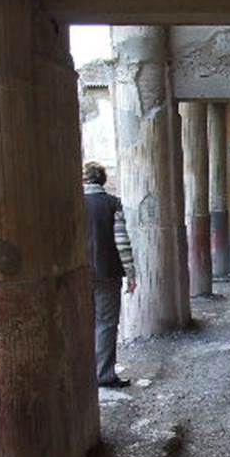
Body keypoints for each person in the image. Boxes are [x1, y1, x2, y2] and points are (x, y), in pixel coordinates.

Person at [83, 162, 137, 388]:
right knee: (105, 324)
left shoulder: (73, 203)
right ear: (103, 180)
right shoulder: (112, 203)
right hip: (107, 272)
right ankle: (104, 375)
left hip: (78, 274)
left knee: (82, 323)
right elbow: (122, 242)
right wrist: (131, 273)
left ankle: (82, 375)